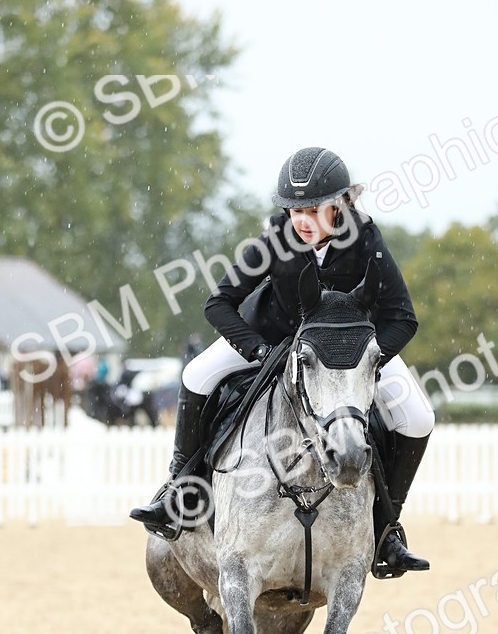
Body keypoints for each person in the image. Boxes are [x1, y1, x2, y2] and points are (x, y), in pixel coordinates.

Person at [131, 146, 435, 573]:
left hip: (349, 351)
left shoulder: (366, 238)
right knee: (196, 374)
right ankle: (179, 491)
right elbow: (219, 304)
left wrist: (364, 362)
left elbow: (403, 317)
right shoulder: (276, 238)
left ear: (340, 205)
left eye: (313, 210)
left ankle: (386, 530)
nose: (303, 221)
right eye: (295, 211)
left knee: (418, 418)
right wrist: (256, 349)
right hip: (274, 339)